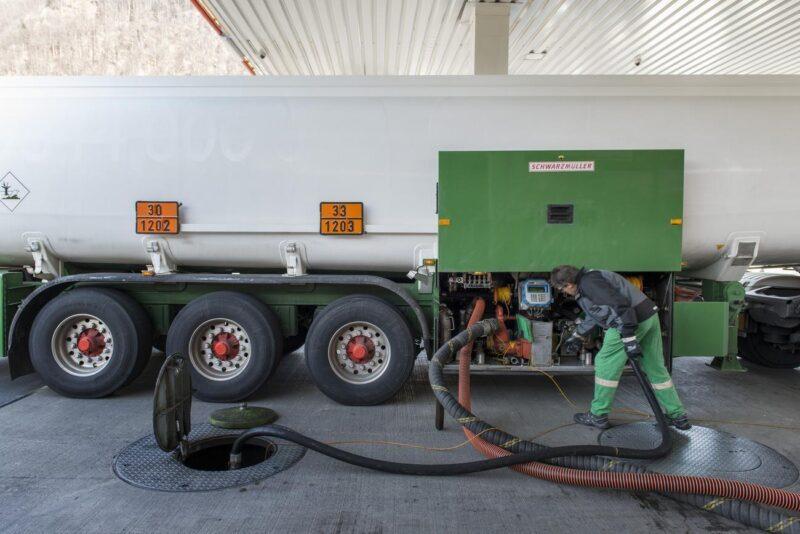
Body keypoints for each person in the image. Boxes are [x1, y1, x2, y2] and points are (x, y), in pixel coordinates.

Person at [550, 265, 691, 430]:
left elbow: (619, 305)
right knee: (655, 367)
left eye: (563, 289)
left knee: (604, 362)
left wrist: (629, 337)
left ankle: (598, 415)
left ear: (568, 284)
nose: (565, 293)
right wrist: (578, 334)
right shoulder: (590, 279)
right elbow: (596, 312)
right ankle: (677, 415)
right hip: (648, 317)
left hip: (628, 322)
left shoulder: (589, 283)